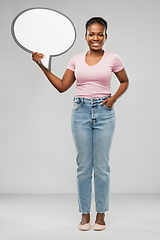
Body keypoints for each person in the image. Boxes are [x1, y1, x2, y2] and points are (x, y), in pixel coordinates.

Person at [32, 17, 129, 231]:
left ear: (105, 36)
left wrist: (113, 99)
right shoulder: (76, 59)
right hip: (80, 112)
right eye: (91, 34)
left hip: (104, 113)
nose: (96, 38)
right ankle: (85, 215)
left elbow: (125, 81)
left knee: (101, 167)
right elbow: (62, 86)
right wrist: (42, 65)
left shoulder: (113, 58)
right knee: (84, 166)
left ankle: (101, 215)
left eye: (100, 34)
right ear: (86, 36)